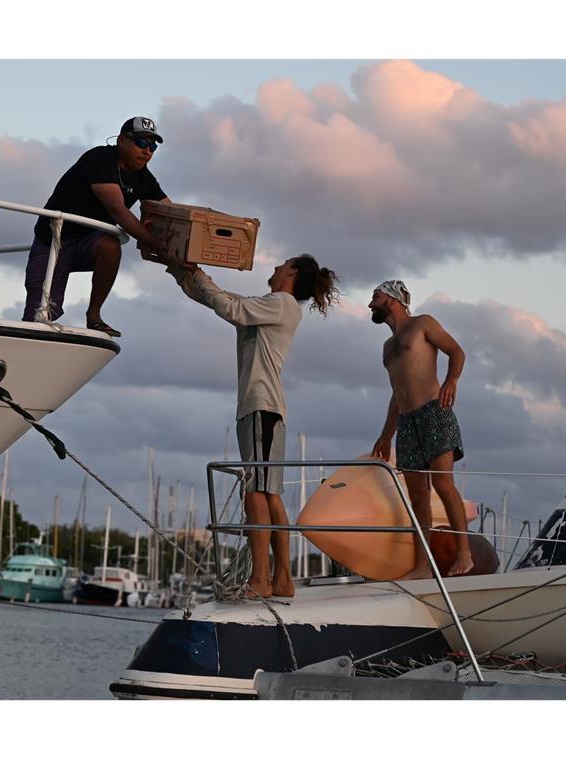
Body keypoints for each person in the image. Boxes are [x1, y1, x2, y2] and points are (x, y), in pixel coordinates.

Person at [165, 254, 340, 598]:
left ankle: (262, 578)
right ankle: (283, 579)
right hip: (261, 408)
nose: (274, 268)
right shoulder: (271, 305)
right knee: (268, 493)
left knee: (256, 493)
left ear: (292, 272)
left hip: (261, 406)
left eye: (282, 264)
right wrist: (181, 270)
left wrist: (195, 271)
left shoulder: (280, 303)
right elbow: (220, 299)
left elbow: (231, 308)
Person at [21, 116, 171, 336]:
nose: (147, 151)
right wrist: (160, 245)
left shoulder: (143, 177)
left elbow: (170, 212)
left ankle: (94, 316)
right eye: (141, 143)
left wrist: (194, 238)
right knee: (39, 315)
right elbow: (117, 211)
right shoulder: (100, 158)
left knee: (111, 245)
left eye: (152, 146)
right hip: (54, 239)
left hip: (88, 242)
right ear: (121, 140)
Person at [368, 280, 473, 579]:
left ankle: (463, 554)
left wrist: (451, 381)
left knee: (443, 486)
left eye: (375, 297)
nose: (370, 304)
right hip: (407, 422)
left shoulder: (422, 324)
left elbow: (456, 352)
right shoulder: (387, 348)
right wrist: (386, 434)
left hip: (434, 412)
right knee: (417, 497)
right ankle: (423, 566)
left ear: (394, 299)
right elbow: (396, 393)